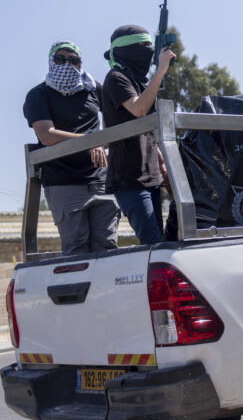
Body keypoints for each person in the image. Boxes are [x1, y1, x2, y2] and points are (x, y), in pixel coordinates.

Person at [23, 41, 120, 254]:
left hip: (102, 180)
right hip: (63, 183)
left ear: (80, 64)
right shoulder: (38, 94)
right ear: (51, 61)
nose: (67, 64)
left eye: (73, 60)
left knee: (108, 248)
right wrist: (90, 141)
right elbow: (47, 135)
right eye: (60, 59)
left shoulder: (92, 87)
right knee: (77, 248)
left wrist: (106, 144)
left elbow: (115, 118)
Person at [101, 25, 176, 245]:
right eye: (144, 46)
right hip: (129, 179)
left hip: (150, 176)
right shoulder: (116, 78)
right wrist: (160, 70)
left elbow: (149, 131)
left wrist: (162, 164)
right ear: (128, 49)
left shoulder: (140, 82)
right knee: (152, 240)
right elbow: (139, 109)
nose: (149, 51)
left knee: (159, 240)